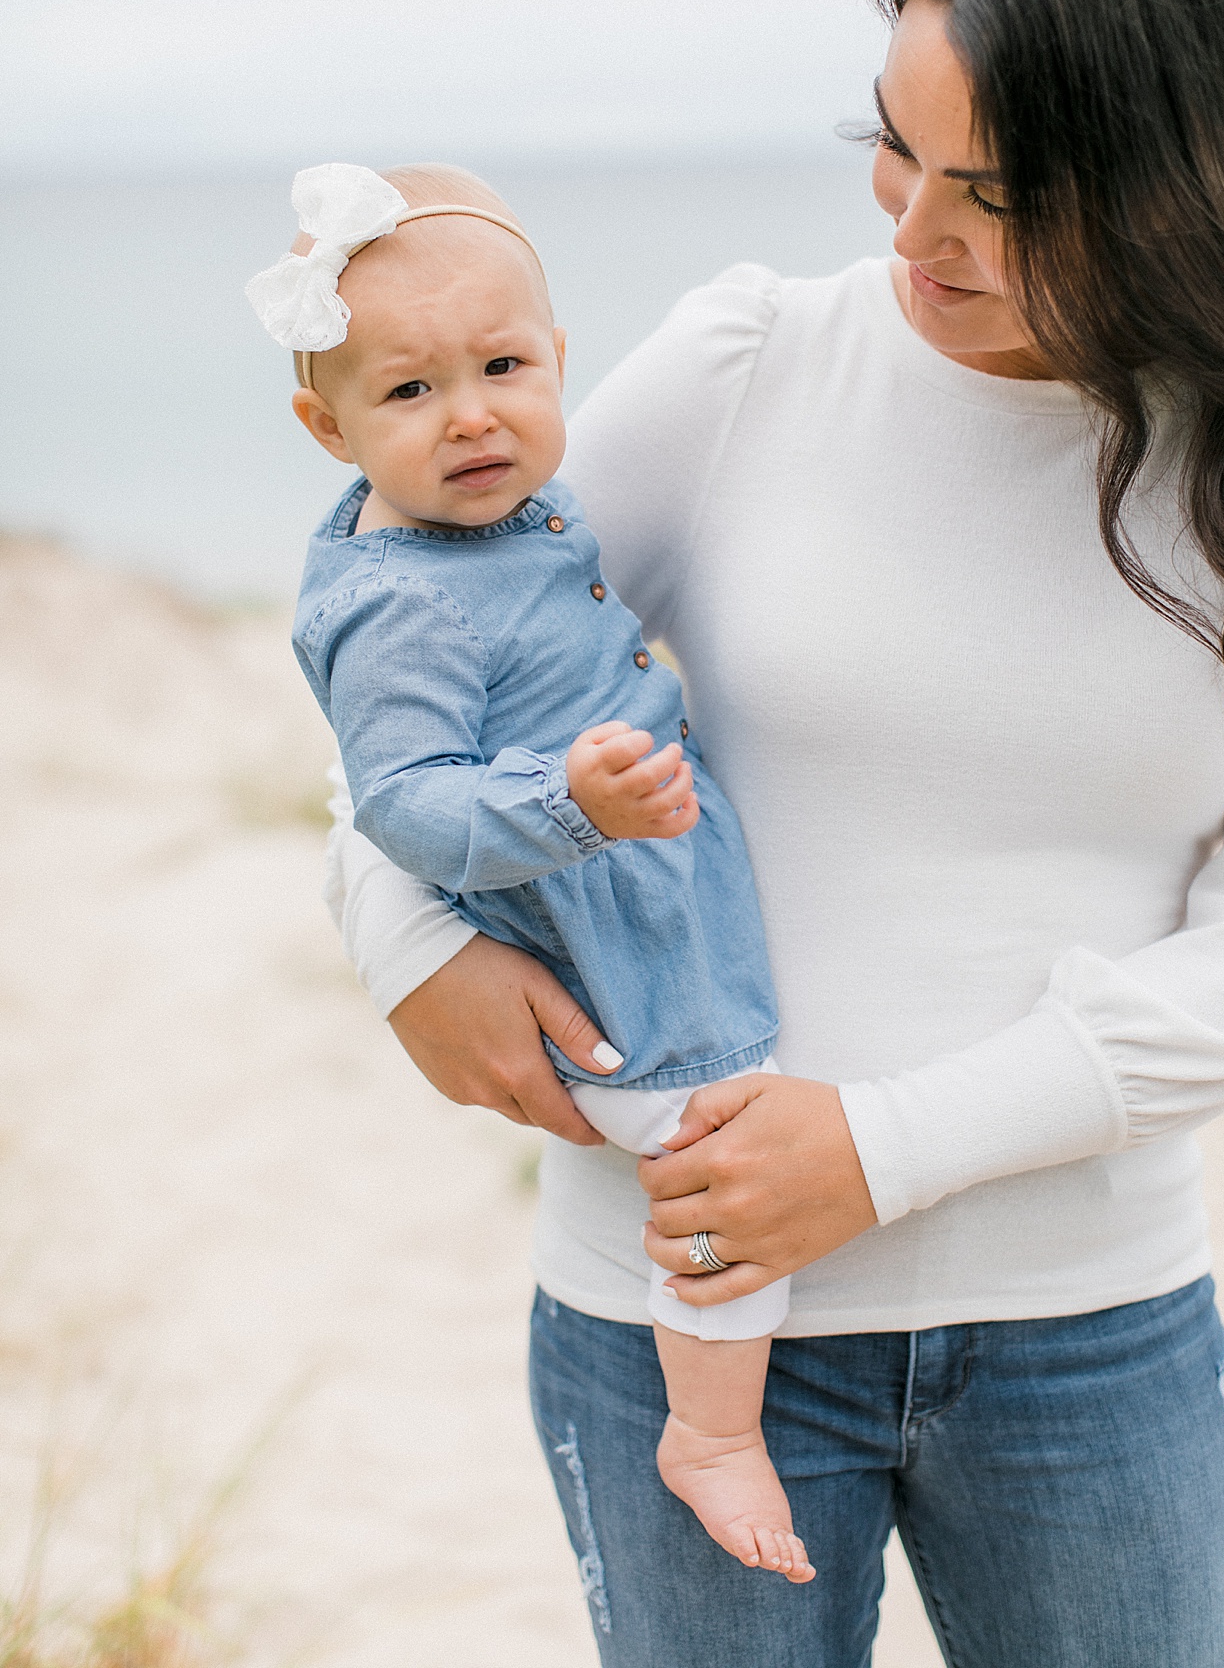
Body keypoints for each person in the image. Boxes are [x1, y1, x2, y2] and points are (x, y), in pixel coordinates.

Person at [322, 0, 1224, 1668]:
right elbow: (417, 673)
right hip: (664, 1315)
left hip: (1090, 1335)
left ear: (1197, 180)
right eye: (895, 150)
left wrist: (885, 1149)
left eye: (1000, 194)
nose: (918, 235)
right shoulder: (758, 362)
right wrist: (409, 943)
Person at [246, 160, 817, 1581]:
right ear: (329, 428)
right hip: (598, 927)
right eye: (410, 393)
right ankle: (714, 1430)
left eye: (503, 366)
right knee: (709, 1169)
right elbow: (404, 802)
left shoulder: (505, 512)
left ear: (561, 360)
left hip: (635, 870)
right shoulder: (399, 601)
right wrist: (567, 802)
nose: (474, 416)